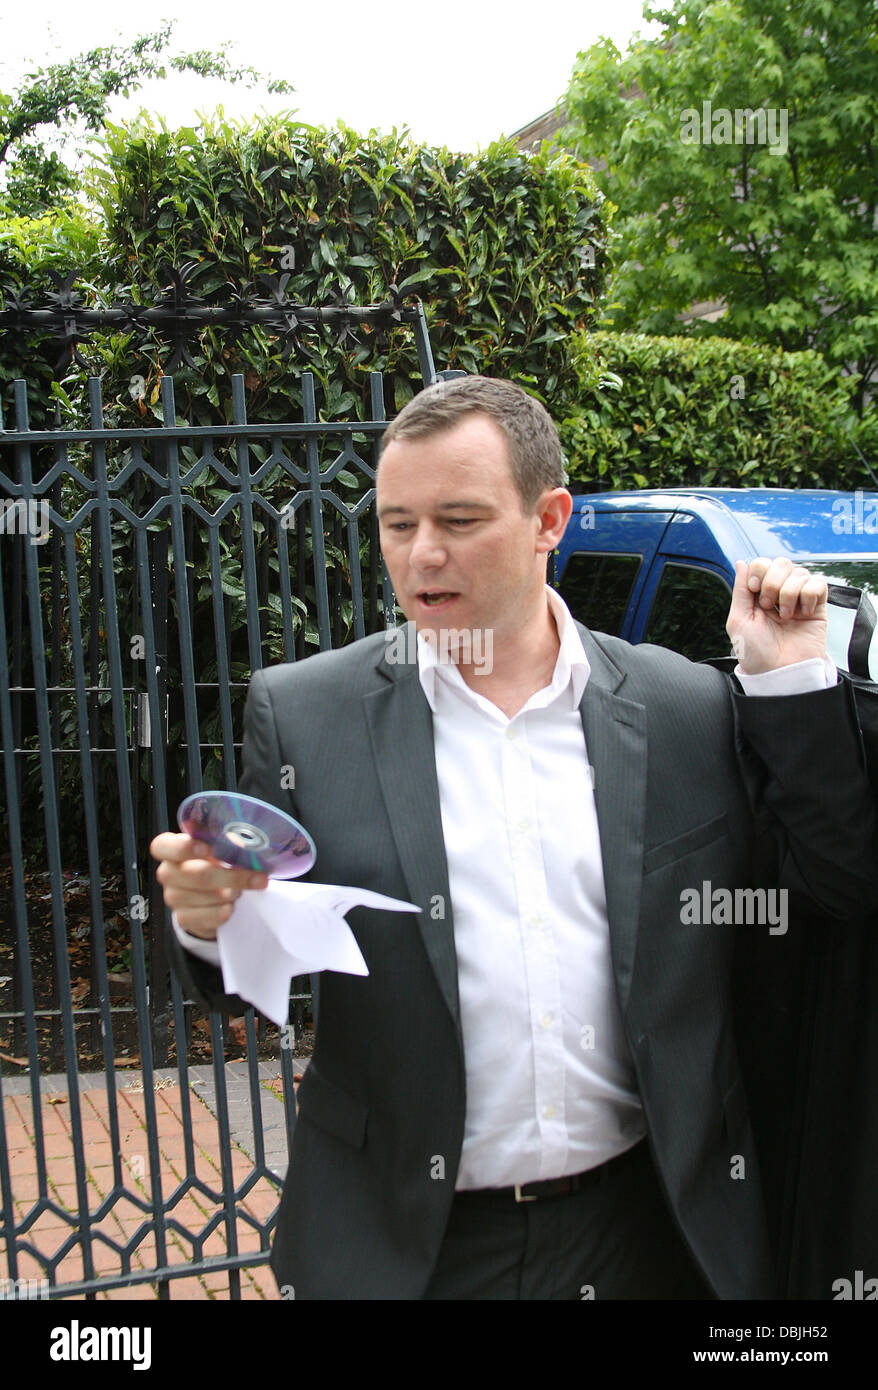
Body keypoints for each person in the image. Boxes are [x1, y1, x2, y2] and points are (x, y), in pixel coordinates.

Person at [150, 375, 877, 1300]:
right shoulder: (305, 714)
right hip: (412, 1248)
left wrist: (788, 684)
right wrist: (210, 922)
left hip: (651, 1235)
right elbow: (251, 973)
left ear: (550, 519)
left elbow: (833, 885)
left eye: (459, 520)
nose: (421, 555)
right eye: (397, 523)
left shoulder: (682, 709)